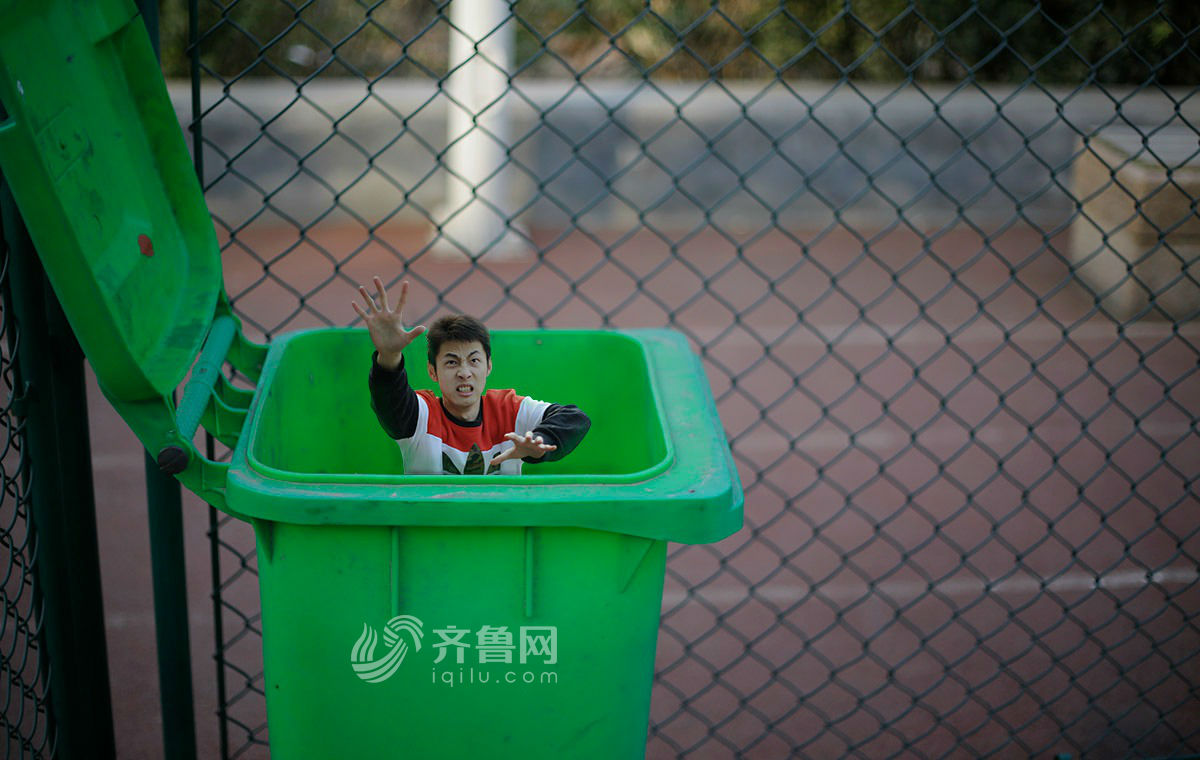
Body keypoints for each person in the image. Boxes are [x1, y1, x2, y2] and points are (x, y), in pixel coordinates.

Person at [353, 276, 590, 475]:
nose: (464, 373)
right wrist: (389, 355)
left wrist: (539, 443)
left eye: (474, 361)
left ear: (488, 366)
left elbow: (575, 419)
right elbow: (390, 400)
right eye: (451, 362)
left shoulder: (509, 411)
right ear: (432, 371)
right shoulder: (421, 416)